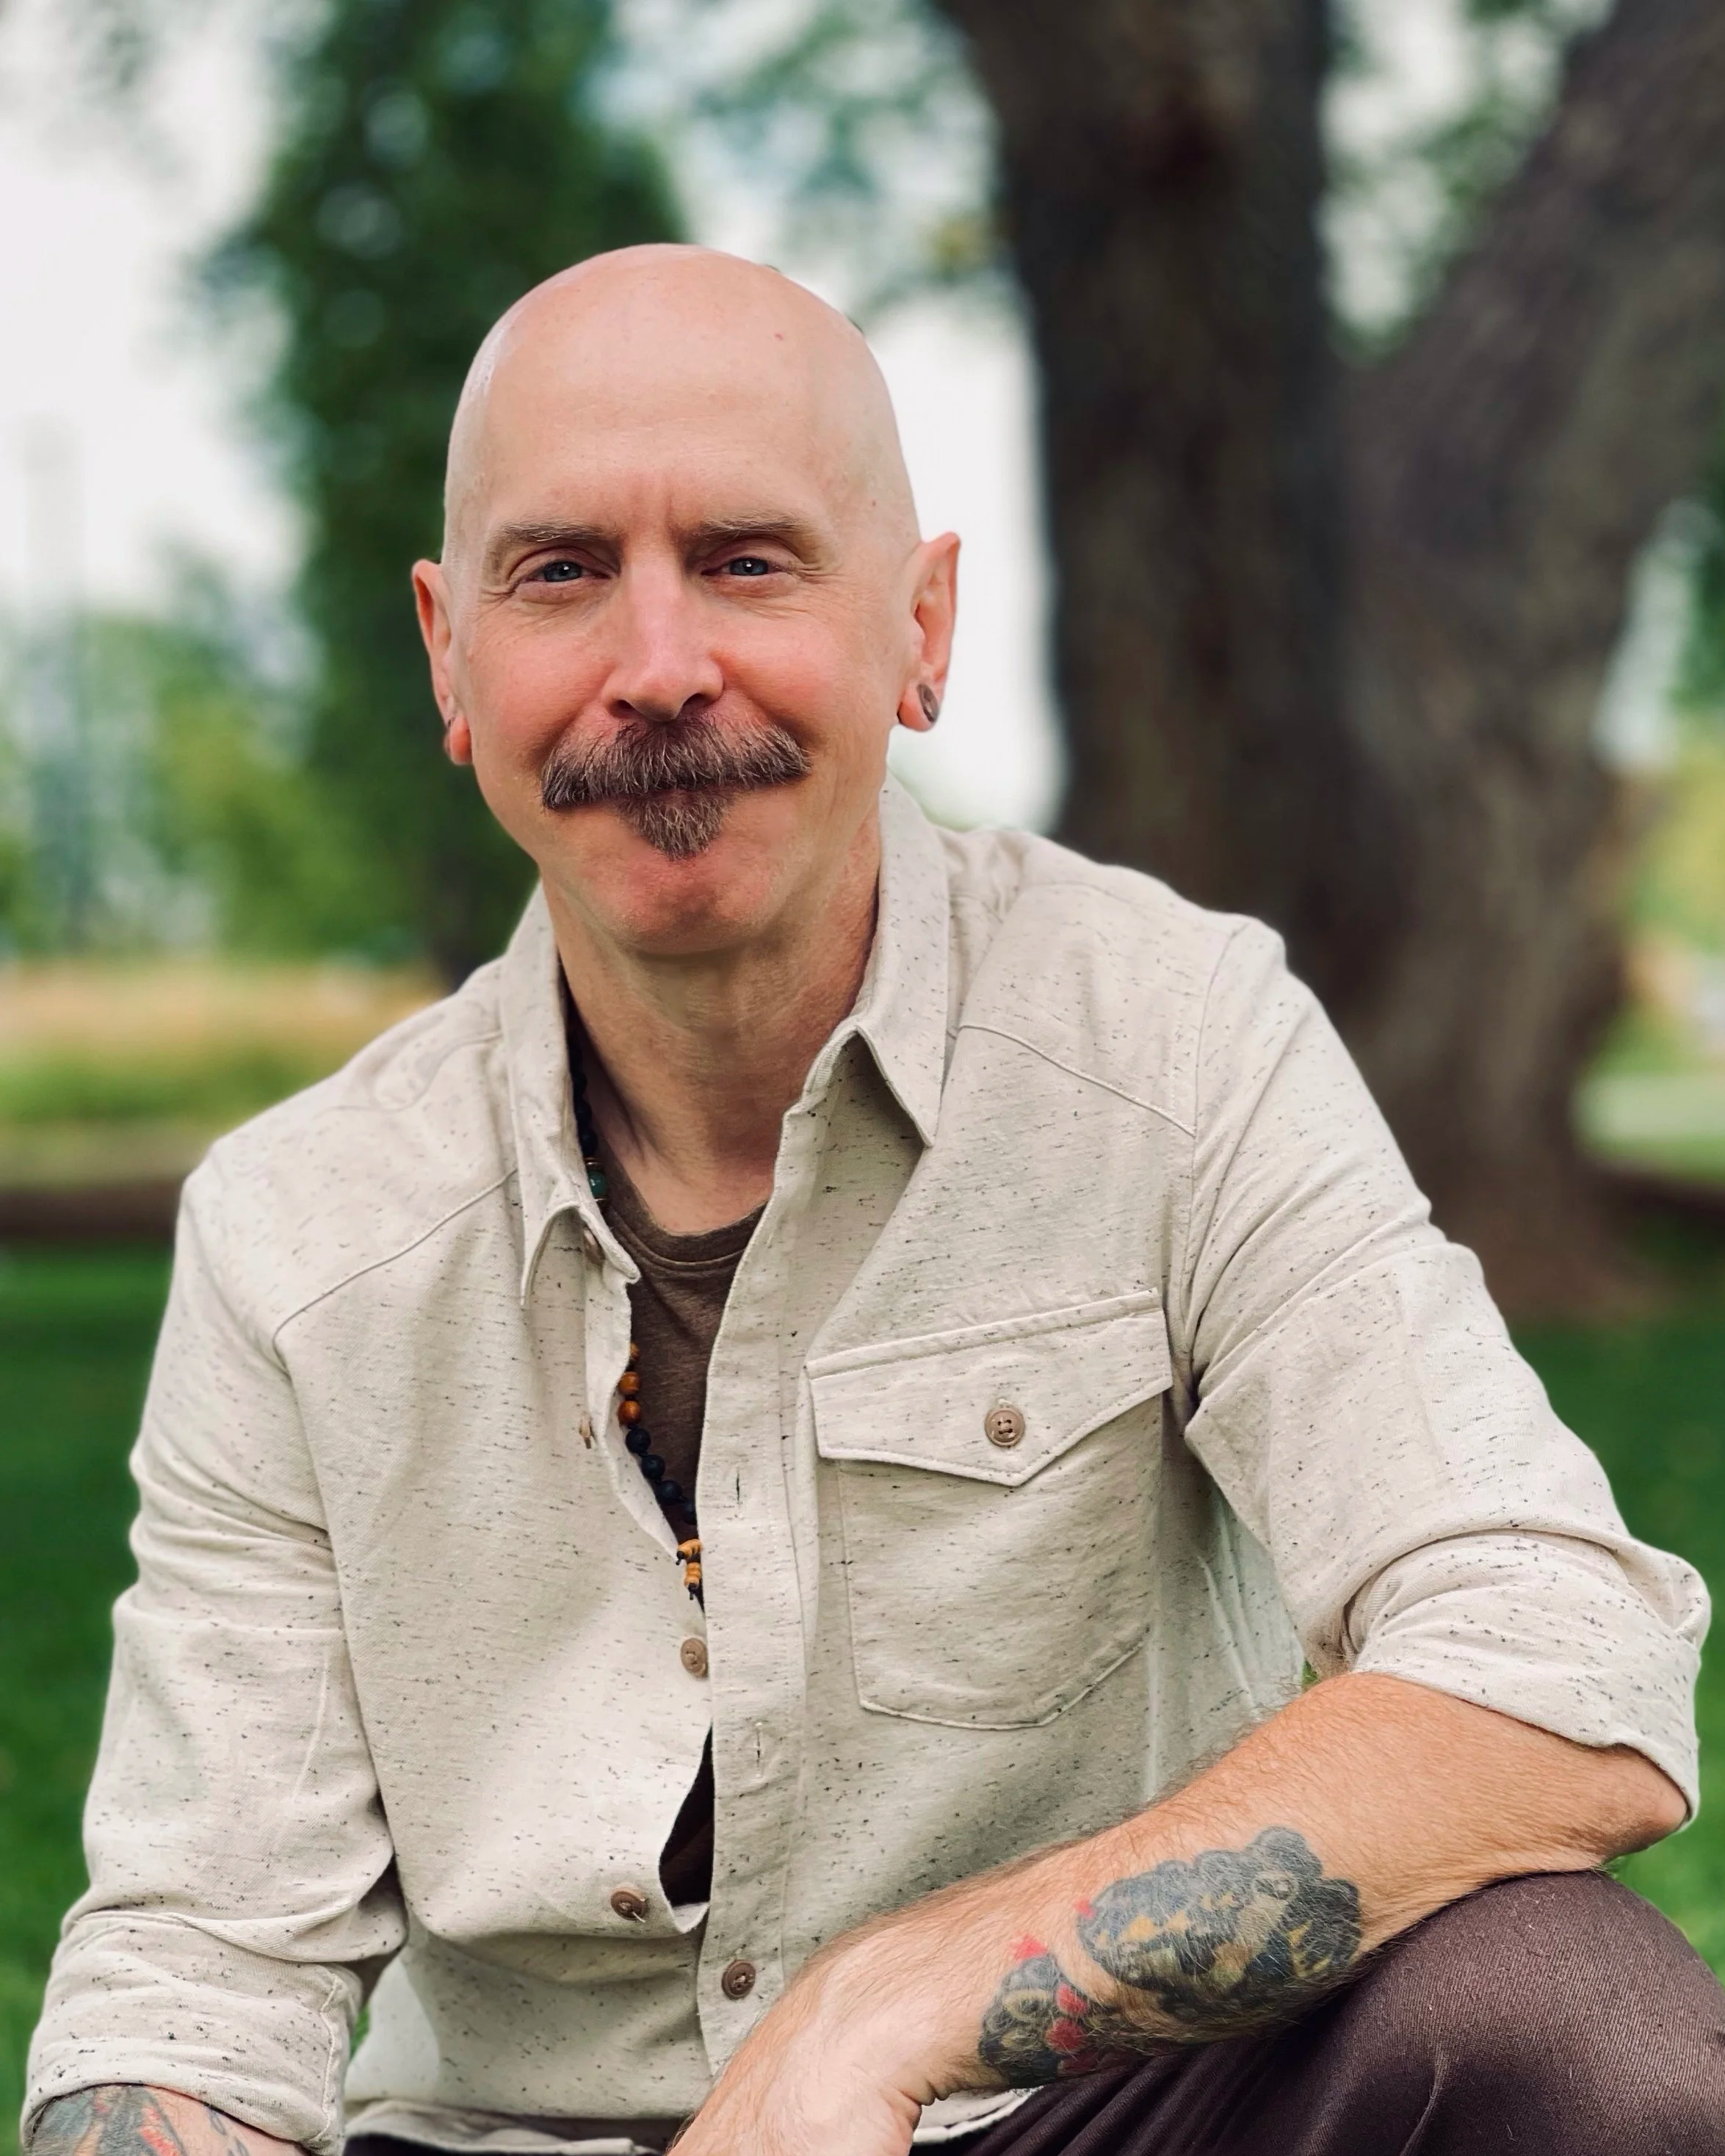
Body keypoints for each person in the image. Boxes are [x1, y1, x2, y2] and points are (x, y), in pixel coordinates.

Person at [23, 246, 1725, 2156]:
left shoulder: (1169, 1044)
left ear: (920, 627)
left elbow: (1551, 1650)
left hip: (1062, 2116)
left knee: (1566, 2021)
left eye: (748, 561)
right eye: (560, 571)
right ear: (448, 652)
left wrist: (891, 2007)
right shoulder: (294, 1235)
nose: (657, 667)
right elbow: (196, 1978)